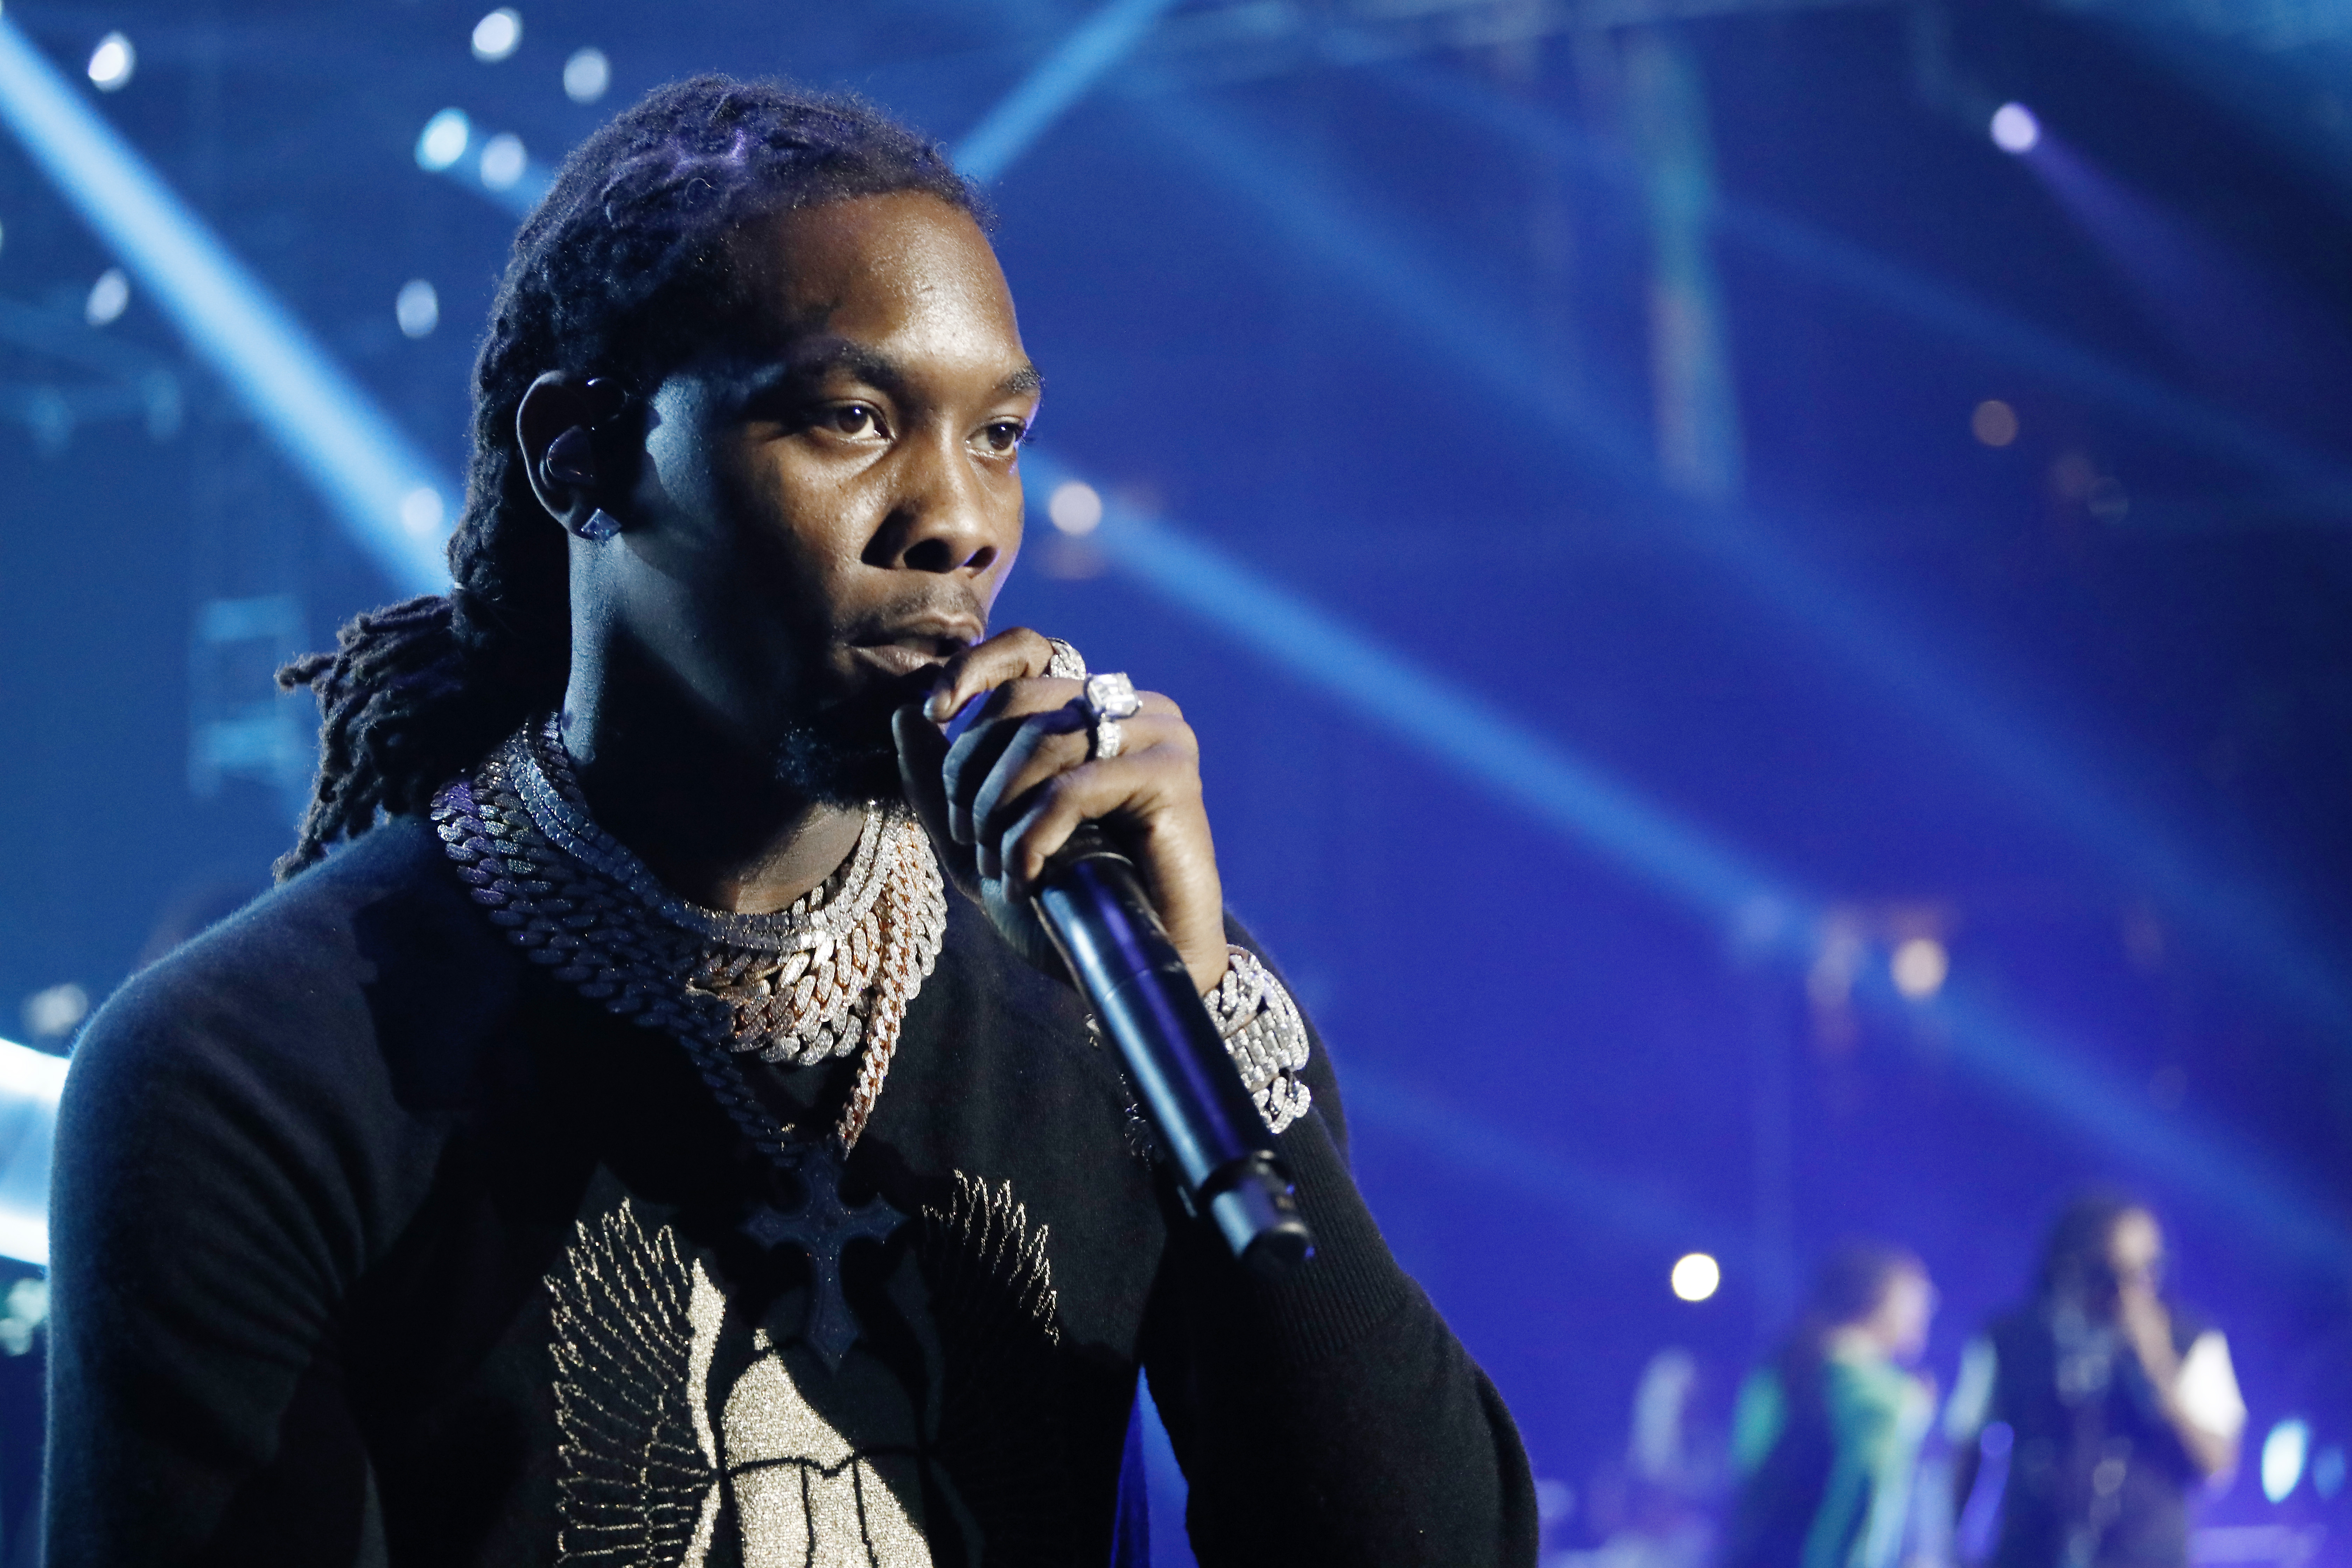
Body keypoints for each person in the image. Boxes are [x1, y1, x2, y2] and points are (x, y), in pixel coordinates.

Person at [44, 78, 1538, 1565]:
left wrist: (1198, 1021)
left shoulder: (1112, 999)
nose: (957, 516)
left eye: (1000, 432)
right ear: (580, 455)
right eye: (851, 416)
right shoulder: (251, 1073)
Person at [1946, 1192, 2244, 1568]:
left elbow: (2216, 1464)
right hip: (2029, 1553)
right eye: (2111, 1274)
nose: (2131, 1291)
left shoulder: (2192, 1340)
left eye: (2148, 1271)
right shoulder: (2009, 1339)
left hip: (2144, 1555)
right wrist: (1942, 1546)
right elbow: (1967, 1450)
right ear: (2068, 1268)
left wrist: (2158, 1367)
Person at [1720, 1244, 1938, 1568]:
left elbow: (1746, 1466)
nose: (1926, 1313)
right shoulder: (1882, 1397)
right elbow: (1865, 1515)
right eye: (1917, 1303)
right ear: (1879, 1302)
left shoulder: (1778, 1370)